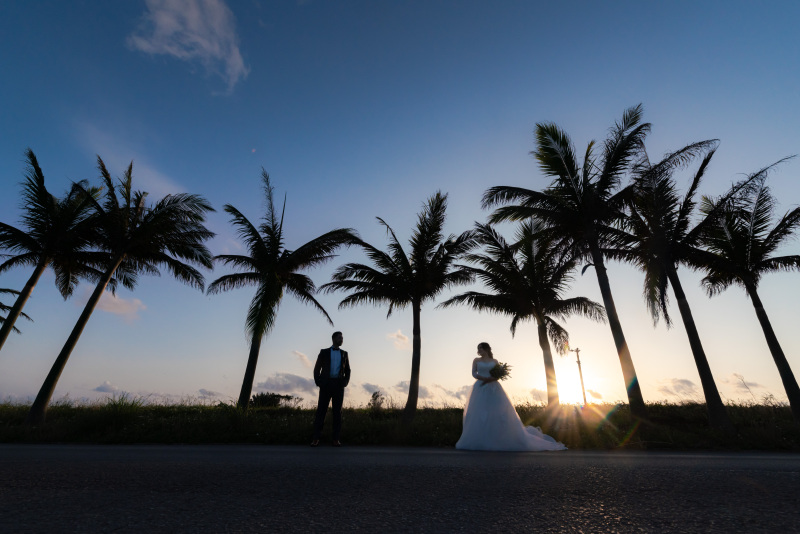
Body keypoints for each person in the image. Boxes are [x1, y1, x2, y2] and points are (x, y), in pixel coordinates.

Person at [455, 342, 566, 451]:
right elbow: (474, 373)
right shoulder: (476, 360)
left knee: (498, 412)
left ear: (486, 349)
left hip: (494, 387)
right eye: (478, 349)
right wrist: (484, 379)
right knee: (479, 413)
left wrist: (491, 379)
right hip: (480, 387)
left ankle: (498, 439)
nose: (479, 351)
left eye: (481, 349)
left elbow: (498, 374)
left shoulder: (495, 361)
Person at [311, 331, 351, 447]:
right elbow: (317, 368)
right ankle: (316, 438)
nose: (341, 340)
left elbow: (348, 370)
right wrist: (319, 382)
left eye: (342, 338)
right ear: (333, 339)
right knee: (321, 412)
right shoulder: (324, 352)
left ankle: (335, 439)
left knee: (337, 413)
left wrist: (345, 382)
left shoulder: (344, 353)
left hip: (338, 385)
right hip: (326, 385)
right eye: (339, 338)